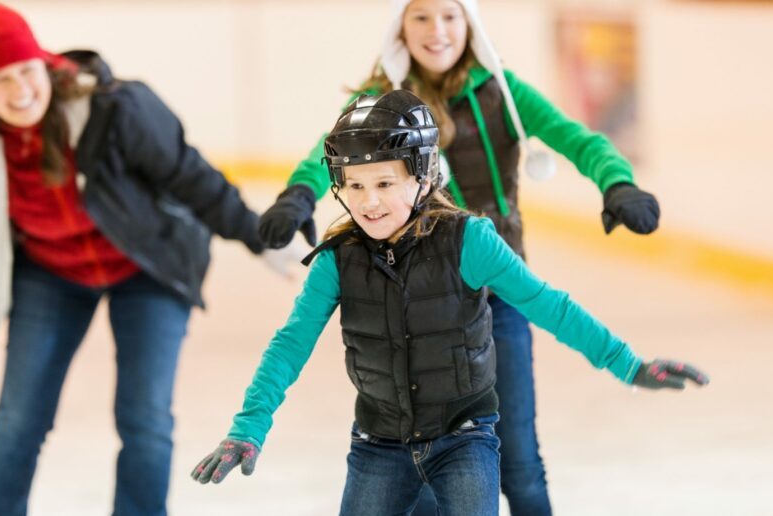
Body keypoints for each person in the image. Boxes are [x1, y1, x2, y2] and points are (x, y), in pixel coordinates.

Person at [193, 90, 707, 516]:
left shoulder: (469, 240)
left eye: (385, 183)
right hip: (378, 444)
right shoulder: (338, 259)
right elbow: (289, 347)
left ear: (422, 176)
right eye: (354, 185)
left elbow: (549, 306)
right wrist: (249, 428)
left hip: (463, 440)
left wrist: (628, 364)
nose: (368, 201)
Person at [255, 1, 662, 513]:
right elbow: (329, 152)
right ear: (400, 27)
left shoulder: (501, 92)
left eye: (450, 15)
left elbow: (578, 139)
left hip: (498, 292)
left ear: (469, 23)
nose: (437, 31)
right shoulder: (380, 98)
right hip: (413, 294)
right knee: (421, 468)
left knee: (518, 463)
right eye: (420, 16)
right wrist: (297, 194)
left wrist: (617, 182)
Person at [0, 3, 269, 515]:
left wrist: (258, 233)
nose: (19, 90)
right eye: (0, 79)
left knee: (144, 417)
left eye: (26, 70)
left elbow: (189, 175)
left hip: (148, 267)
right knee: (18, 419)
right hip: (51, 274)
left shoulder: (114, 109)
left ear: (43, 63)